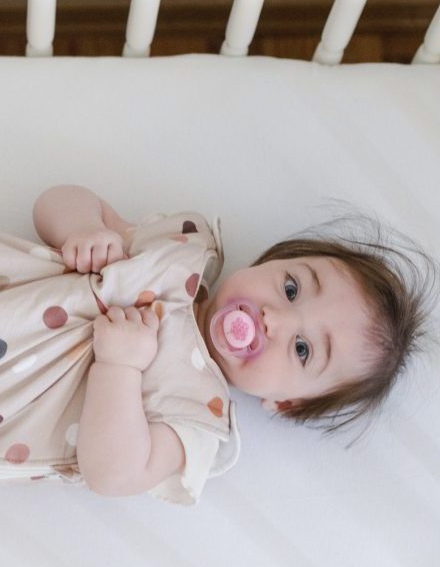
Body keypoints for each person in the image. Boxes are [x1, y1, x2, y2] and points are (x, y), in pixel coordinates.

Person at [33, 184, 439, 497]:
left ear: (285, 403)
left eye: (302, 349)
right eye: (292, 288)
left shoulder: (197, 413)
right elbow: (56, 200)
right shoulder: (182, 250)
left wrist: (120, 367)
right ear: (273, 261)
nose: (274, 318)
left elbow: (113, 474)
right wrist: (85, 230)